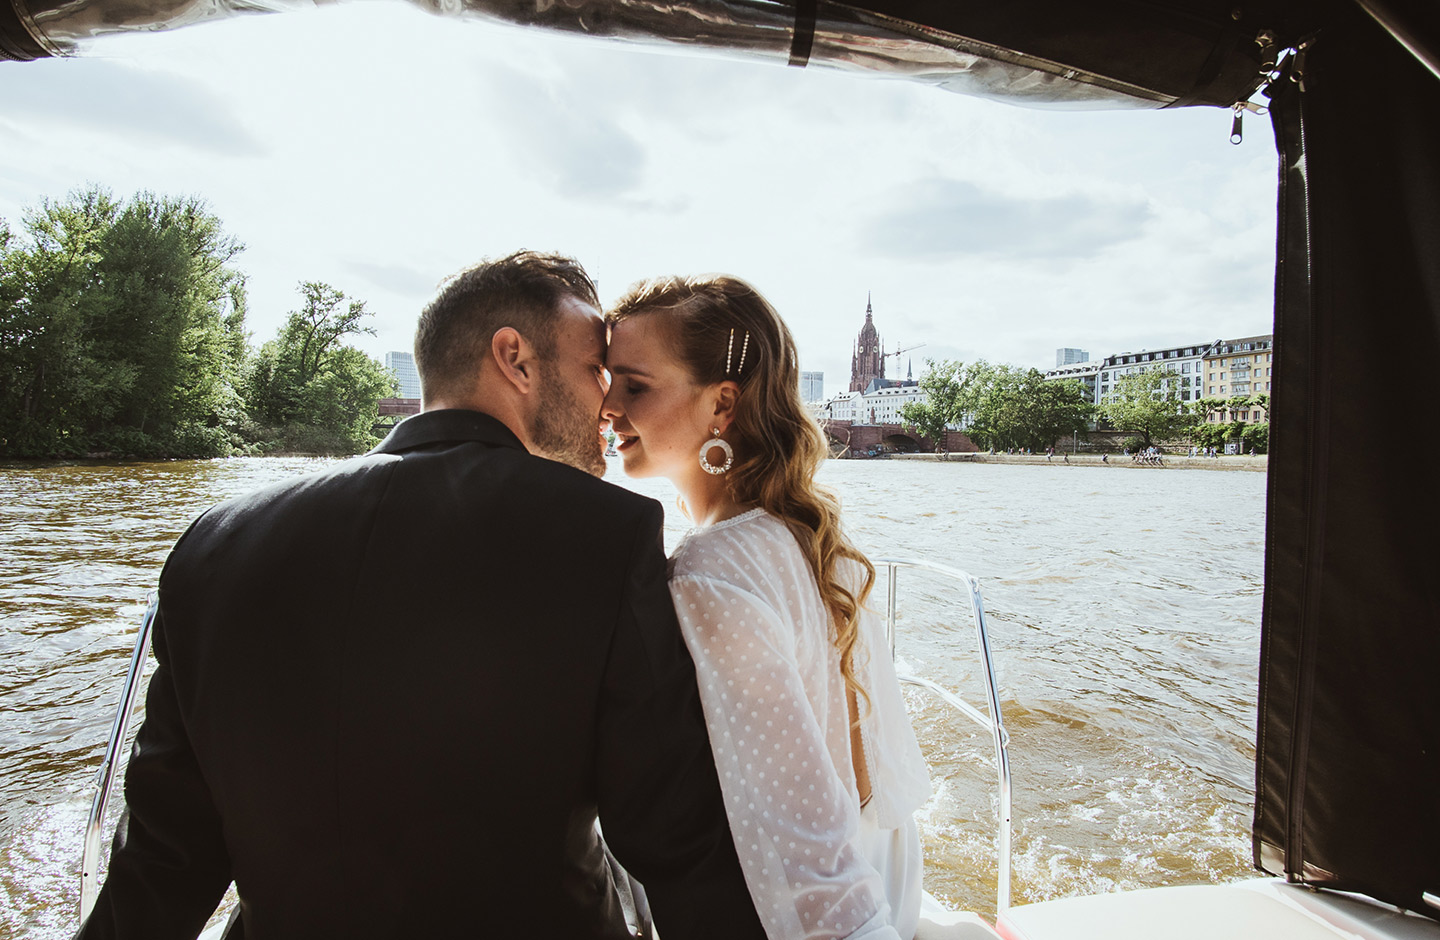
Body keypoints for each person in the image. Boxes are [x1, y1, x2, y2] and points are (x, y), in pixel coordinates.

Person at [77, 252, 766, 940]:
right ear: (515, 359)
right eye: (595, 370)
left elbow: (163, 866)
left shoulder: (213, 545)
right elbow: (678, 843)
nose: (607, 402)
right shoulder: (606, 534)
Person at [600, 275, 932, 940]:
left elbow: (804, 846)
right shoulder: (808, 534)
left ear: (721, 403)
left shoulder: (709, 572)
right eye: (606, 380)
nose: (605, 406)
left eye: (634, 386)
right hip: (896, 873)